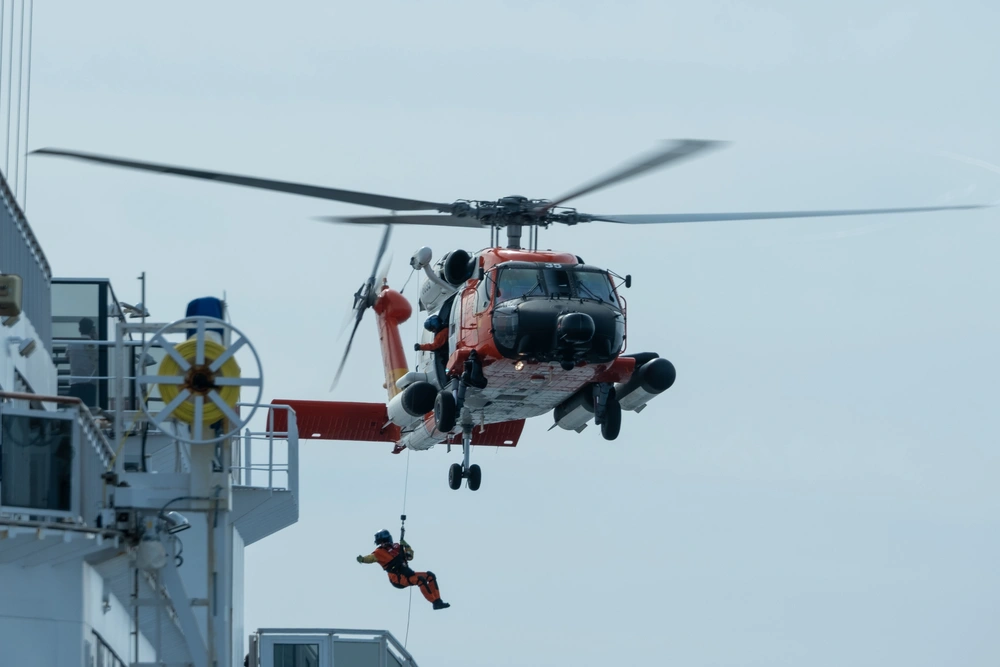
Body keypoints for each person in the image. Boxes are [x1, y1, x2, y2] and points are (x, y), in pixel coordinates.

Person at [357, 529, 450, 610]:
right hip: (398, 578)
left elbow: (409, 556)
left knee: (430, 575)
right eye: (381, 542)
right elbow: (371, 558)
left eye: (384, 541)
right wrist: (363, 559)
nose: (383, 544)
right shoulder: (379, 553)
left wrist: (406, 546)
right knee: (420, 580)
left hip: (408, 573)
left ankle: (438, 600)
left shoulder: (397, 547)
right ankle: (434, 602)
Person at [66, 317, 99, 408]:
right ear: (92, 330)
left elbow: (67, 358)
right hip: (90, 385)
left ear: (79, 329)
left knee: (73, 412)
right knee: (89, 412)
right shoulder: (96, 345)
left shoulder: (71, 344)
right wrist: (96, 338)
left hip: (75, 384)